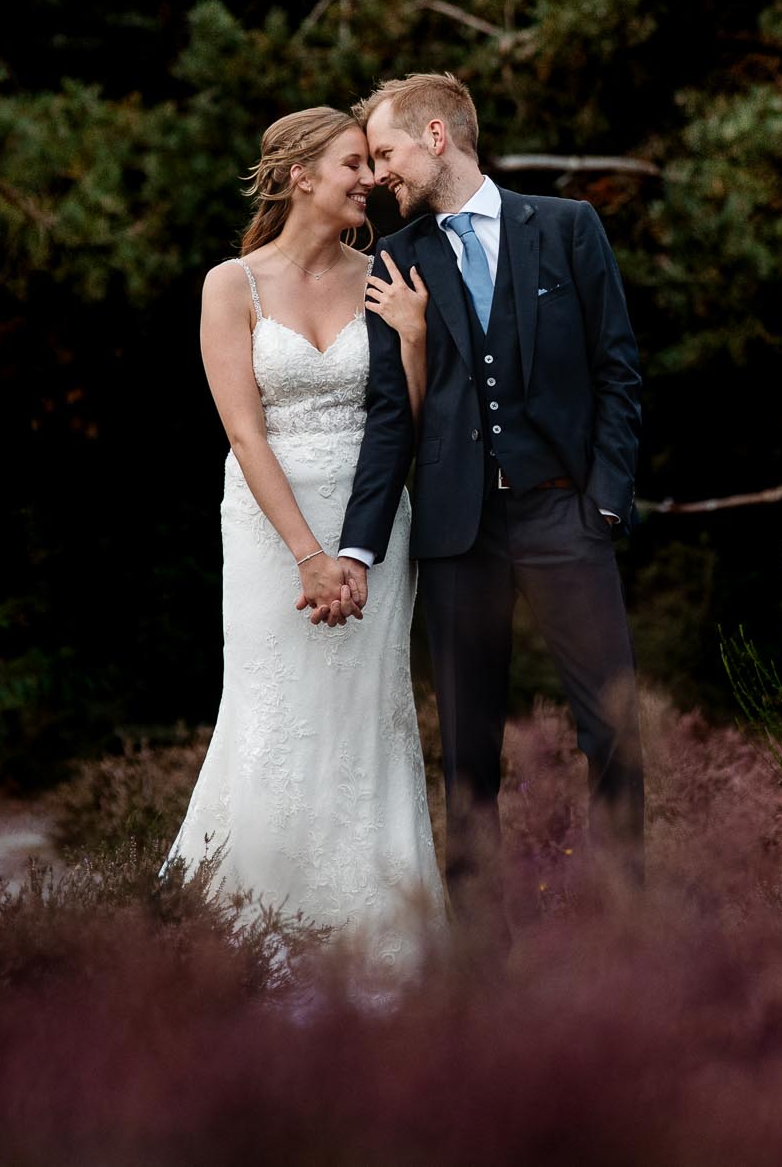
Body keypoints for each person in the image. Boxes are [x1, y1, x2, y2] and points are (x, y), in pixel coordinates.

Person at [339, 72, 646, 939]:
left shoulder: (569, 226)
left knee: (613, 732)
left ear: (438, 135)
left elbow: (618, 370)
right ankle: (483, 958)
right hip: (457, 535)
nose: (380, 171)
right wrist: (358, 546)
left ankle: (625, 934)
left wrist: (607, 506)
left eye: (389, 150)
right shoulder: (395, 260)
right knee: (469, 754)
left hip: (564, 517)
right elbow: (390, 416)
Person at [163, 106, 446, 974]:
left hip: (371, 530)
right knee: (271, 712)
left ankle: (382, 944)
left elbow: (404, 419)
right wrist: (307, 556)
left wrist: (416, 335)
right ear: (299, 176)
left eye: (372, 162)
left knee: (370, 717)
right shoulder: (231, 284)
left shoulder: (386, 274)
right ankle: (250, 937)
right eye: (354, 163)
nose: (372, 178)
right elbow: (245, 433)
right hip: (268, 528)